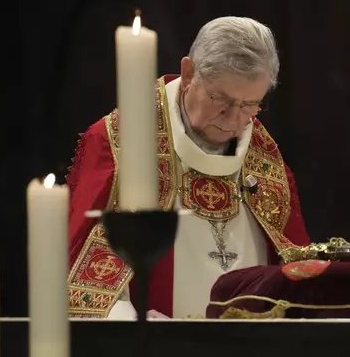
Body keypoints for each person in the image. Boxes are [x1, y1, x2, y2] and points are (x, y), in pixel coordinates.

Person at [66, 16, 311, 319]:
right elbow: (87, 286)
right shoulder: (120, 143)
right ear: (189, 72)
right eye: (220, 99)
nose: (234, 119)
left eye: (250, 105)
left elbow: (296, 278)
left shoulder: (265, 158)